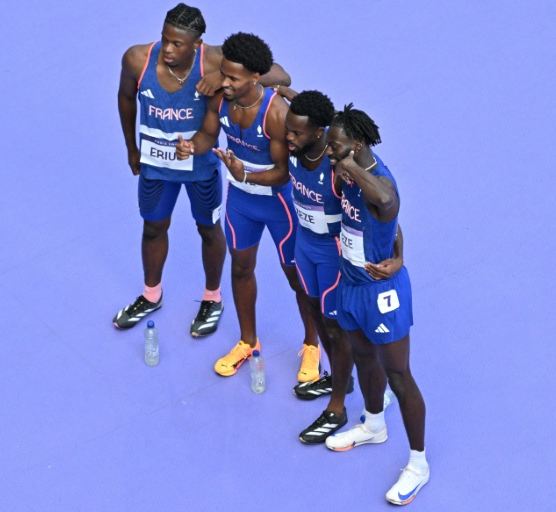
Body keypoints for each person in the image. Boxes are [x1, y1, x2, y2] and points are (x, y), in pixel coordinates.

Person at [113, 4, 290, 337]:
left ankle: (212, 297)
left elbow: (280, 75)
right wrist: (131, 148)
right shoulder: (137, 59)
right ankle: (151, 294)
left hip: (201, 168)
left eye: (178, 44)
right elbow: (125, 97)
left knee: (209, 230)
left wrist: (218, 77)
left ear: (196, 44)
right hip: (156, 165)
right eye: (165, 39)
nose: (168, 48)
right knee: (153, 227)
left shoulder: (214, 61)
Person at [176, 32, 318, 378]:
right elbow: (209, 134)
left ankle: (312, 346)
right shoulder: (220, 99)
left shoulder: (275, 114)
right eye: (222, 73)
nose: (223, 82)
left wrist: (245, 175)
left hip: (279, 206)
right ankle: (247, 341)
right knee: (240, 268)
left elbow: (284, 174)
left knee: (298, 280)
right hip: (240, 203)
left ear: (256, 77)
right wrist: (192, 147)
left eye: (232, 78)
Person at [276, 89, 403, 444]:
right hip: (305, 245)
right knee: (315, 312)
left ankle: (338, 406)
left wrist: (399, 257)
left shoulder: (339, 172)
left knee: (336, 328)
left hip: (334, 253)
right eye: (289, 130)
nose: (289, 136)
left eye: (296, 132)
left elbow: (383, 217)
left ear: (319, 134)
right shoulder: (298, 149)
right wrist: (284, 89)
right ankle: (340, 377)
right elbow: (282, 83)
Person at [321, 104, 429, 505]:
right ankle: (373, 424)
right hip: (350, 284)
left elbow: (388, 203)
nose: (330, 153)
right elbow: (393, 227)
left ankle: (418, 463)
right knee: (364, 359)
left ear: (358, 145)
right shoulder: (346, 163)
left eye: (336, 148)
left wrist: (350, 167)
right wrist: (399, 248)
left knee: (398, 377)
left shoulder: (378, 181)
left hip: (382, 295)